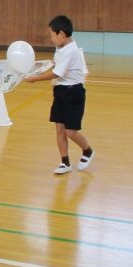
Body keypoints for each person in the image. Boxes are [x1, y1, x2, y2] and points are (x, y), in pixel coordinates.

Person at [24, 15, 94, 174]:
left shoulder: (71, 50)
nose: (51, 38)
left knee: (71, 131)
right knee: (59, 129)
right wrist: (40, 66)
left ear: (61, 34)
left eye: (52, 35)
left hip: (73, 93)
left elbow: (56, 73)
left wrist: (35, 78)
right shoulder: (61, 47)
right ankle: (65, 162)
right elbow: (56, 64)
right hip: (60, 91)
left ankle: (88, 150)